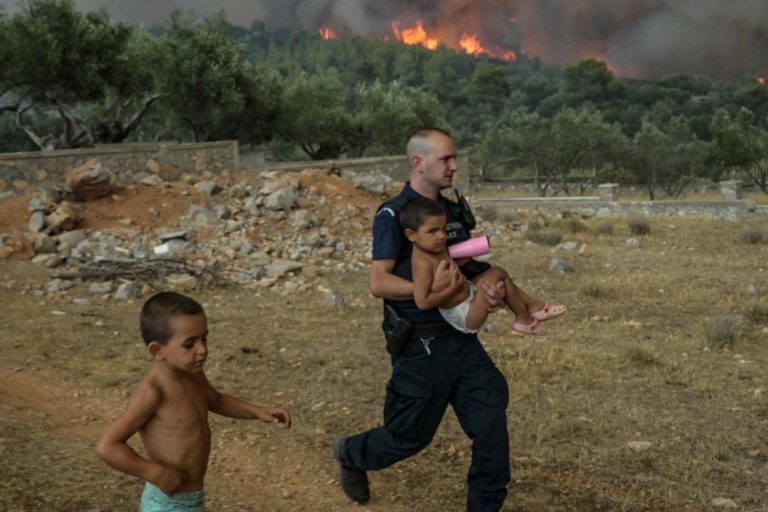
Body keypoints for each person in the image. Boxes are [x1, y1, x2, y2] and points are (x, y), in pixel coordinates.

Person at [332, 128, 515, 511]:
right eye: (446, 159)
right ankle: (351, 452)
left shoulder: (450, 211)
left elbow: (464, 268)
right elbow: (378, 282)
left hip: (461, 342)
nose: (455, 165)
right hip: (420, 345)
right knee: (407, 437)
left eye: (454, 157)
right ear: (419, 163)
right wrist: (429, 289)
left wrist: (487, 292)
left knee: (491, 426)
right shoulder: (393, 214)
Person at [96, 291, 291, 512]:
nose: (203, 350)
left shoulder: (193, 375)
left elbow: (216, 400)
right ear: (157, 350)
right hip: (166, 502)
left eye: (204, 339)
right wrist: (154, 473)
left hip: (192, 497)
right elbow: (108, 446)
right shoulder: (153, 392)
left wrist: (257, 411)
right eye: (190, 344)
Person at [402, 196, 567, 335]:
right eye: (432, 231)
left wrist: (474, 248)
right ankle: (524, 317)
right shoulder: (422, 262)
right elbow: (422, 302)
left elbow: (450, 263)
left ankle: (530, 310)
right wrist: (451, 289)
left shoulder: (434, 247)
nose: (441, 236)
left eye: (443, 229)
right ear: (411, 235)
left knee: (498, 275)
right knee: (498, 274)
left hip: (468, 295)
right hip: (464, 313)